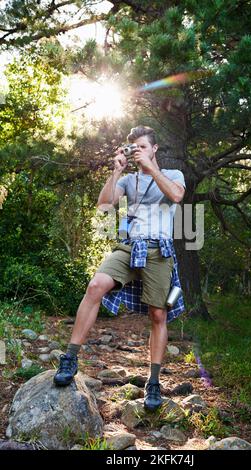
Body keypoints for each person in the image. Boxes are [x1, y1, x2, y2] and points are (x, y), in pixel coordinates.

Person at [53, 125, 186, 411]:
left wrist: (151, 168)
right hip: (129, 246)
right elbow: (104, 206)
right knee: (95, 286)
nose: (137, 151)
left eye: (142, 147)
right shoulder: (127, 180)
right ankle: (70, 358)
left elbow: (176, 196)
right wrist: (115, 171)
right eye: (133, 147)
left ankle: (153, 382)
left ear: (154, 149)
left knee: (158, 313)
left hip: (159, 249)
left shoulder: (173, 175)